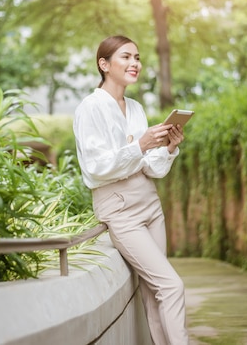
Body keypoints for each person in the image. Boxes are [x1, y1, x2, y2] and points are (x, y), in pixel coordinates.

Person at [73, 35, 189, 344]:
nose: (134, 63)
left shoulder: (136, 108)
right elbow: (96, 168)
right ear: (104, 64)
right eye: (125, 57)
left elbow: (151, 167)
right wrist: (140, 145)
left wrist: (166, 148)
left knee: (155, 293)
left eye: (137, 57)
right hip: (120, 209)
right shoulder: (90, 108)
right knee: (172, 286)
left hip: (150, 204)